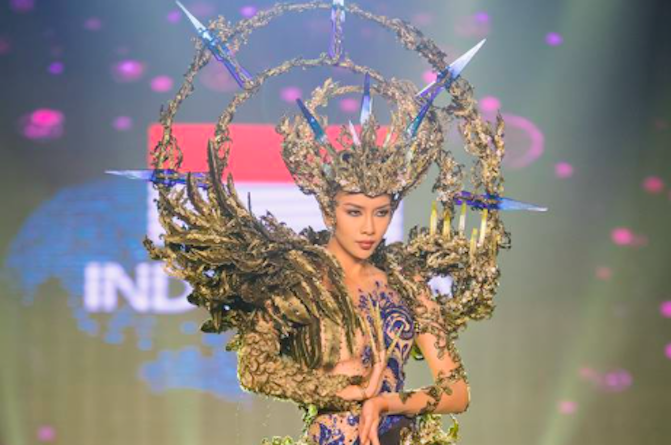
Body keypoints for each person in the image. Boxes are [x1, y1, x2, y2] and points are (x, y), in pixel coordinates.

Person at [140, 4, 515, 444]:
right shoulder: (302, 281)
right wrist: (338, 390)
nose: (369, 227)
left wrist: (389, 402)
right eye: (354, 212)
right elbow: (254, 366)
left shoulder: (406, 282)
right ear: (327, 211)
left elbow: (456, 389)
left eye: (381, 212)